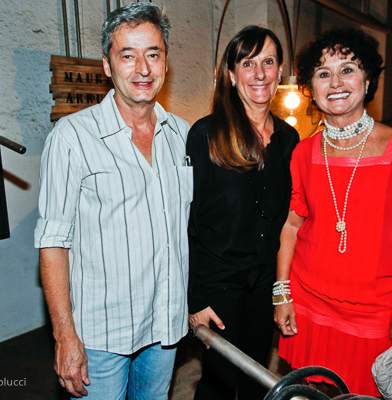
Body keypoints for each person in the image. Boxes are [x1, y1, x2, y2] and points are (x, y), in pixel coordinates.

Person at [274, 28, 392, 397]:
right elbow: (292, 227)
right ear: (311, 85)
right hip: (310, 309)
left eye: (348, 69)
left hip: (375, 316)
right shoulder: (303, 154)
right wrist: (283, 294)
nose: (335, 82)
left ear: (368, 79)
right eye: (323, 73)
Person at [34, 3, 192, 399]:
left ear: (166, 63)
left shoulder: (183, 135)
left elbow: (190, 226)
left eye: (153, 54)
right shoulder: (71, 138)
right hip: (101, 334)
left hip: (165, 326)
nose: (142, 69)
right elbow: (53, 242)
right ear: (107, 65)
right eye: (128, 55)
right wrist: (64, 335)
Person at [187, 26, 299, 400]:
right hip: (218, 282)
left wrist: (282, 289)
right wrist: (195, 298)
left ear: (280, 71)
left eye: (268, 62)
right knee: (218, 382)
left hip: (264, 282)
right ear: (232, 75)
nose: (260, 73)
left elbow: (289, 219)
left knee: (256, 378)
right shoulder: (206, 135)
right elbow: (187, 221)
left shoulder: (288, 140)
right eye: (247, 63)